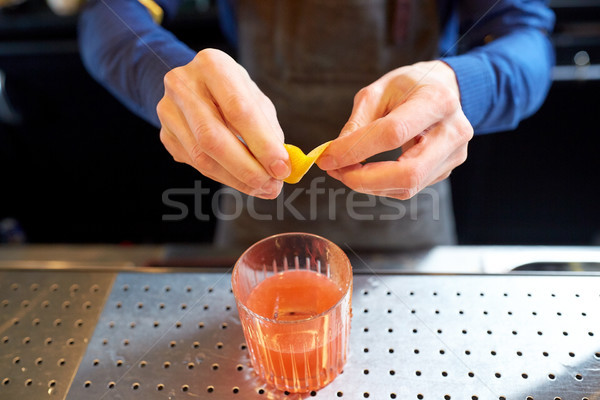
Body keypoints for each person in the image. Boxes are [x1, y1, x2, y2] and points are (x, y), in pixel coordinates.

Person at [78, 0, 555, 251]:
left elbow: (527, 35)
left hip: (411, 194)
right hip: (254, 197)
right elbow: (108, 11)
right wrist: (162, 74)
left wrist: (465, 85)